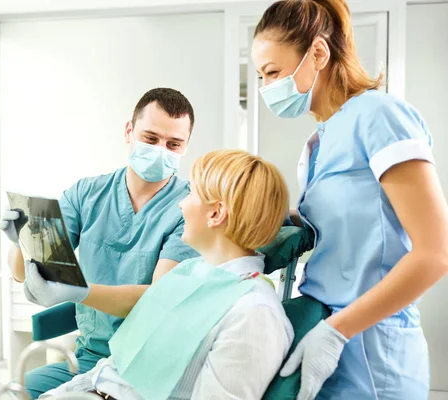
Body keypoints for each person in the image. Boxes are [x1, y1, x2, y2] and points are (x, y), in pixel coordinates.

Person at [251, 1, 448, 399]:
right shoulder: (322, 139)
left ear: (318, 53)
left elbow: (435, 254)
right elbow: (351, 225)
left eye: (272, 72)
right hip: (326, 337)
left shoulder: (379, 115)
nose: (266, 87)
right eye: (260, 76)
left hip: (371, 348)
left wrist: (337, 330)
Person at [36, 150, 293, 400]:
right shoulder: (190, 271)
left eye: (192, 193)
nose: (181, 203)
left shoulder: (253, 312)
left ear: (216, 214)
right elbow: (114, 371)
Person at [0, 88, 200, 399]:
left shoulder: (189, 208)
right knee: (14, 392)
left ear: (186, 147)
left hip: (145, 366)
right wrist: (20, 242)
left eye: (173, 144)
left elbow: (157, 300)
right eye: (150, 138)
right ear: (129, 131)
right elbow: (23, 273)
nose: (161, 150)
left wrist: (82, 292)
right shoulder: (86, 195)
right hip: (90, 356)